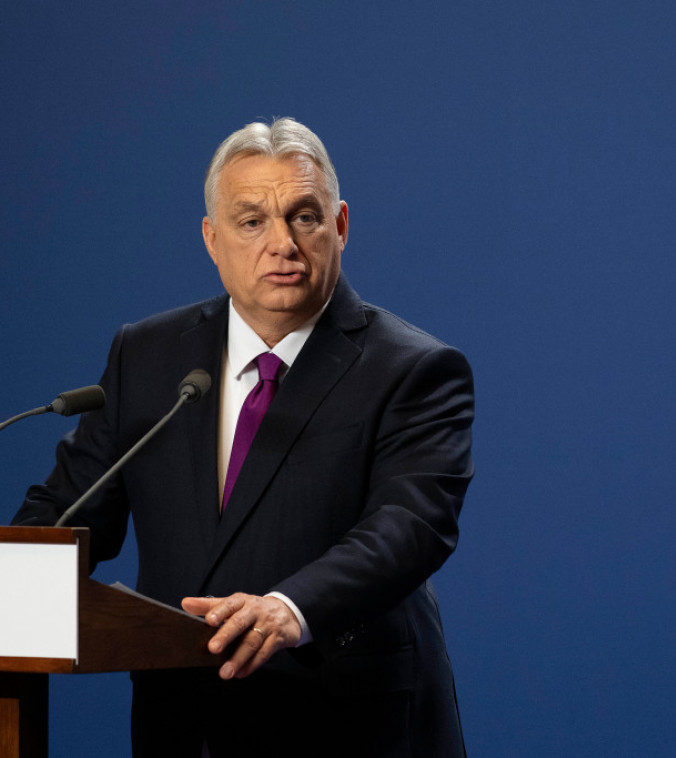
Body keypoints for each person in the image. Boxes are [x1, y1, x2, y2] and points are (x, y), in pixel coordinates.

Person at [14, 117, 474, 757]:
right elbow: (69, 512)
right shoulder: (146, 356)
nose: (282, 243)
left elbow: (410, 526)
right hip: (182, 722)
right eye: (252, 221)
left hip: (345, 720)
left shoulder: (413, 368)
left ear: (340, 225)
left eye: (304, 217)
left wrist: (291, 607)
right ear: (212, 238)